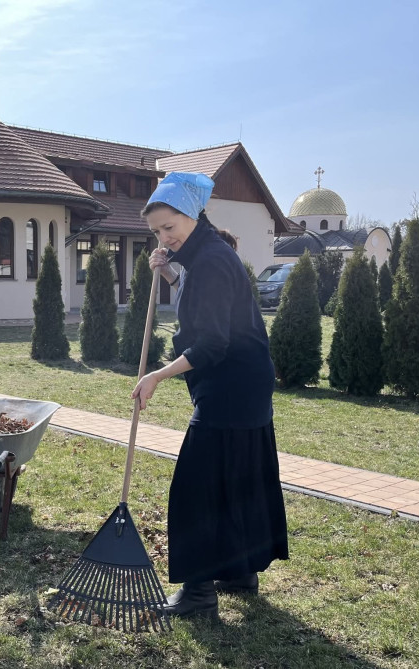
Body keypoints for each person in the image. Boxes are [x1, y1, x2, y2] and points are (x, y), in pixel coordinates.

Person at [131, 172, 288, 620]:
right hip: (243, 383)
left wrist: (158, 375)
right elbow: (198, 299)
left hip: (230, 386)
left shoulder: (213, 260)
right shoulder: (204, 256)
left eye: (169, 226)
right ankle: (240, 572)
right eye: (157, 231)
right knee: (237, 479)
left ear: (192, 215)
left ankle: (199, 592)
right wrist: (168, 273)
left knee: (195, 489)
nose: (164, 237)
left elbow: (212, 343)